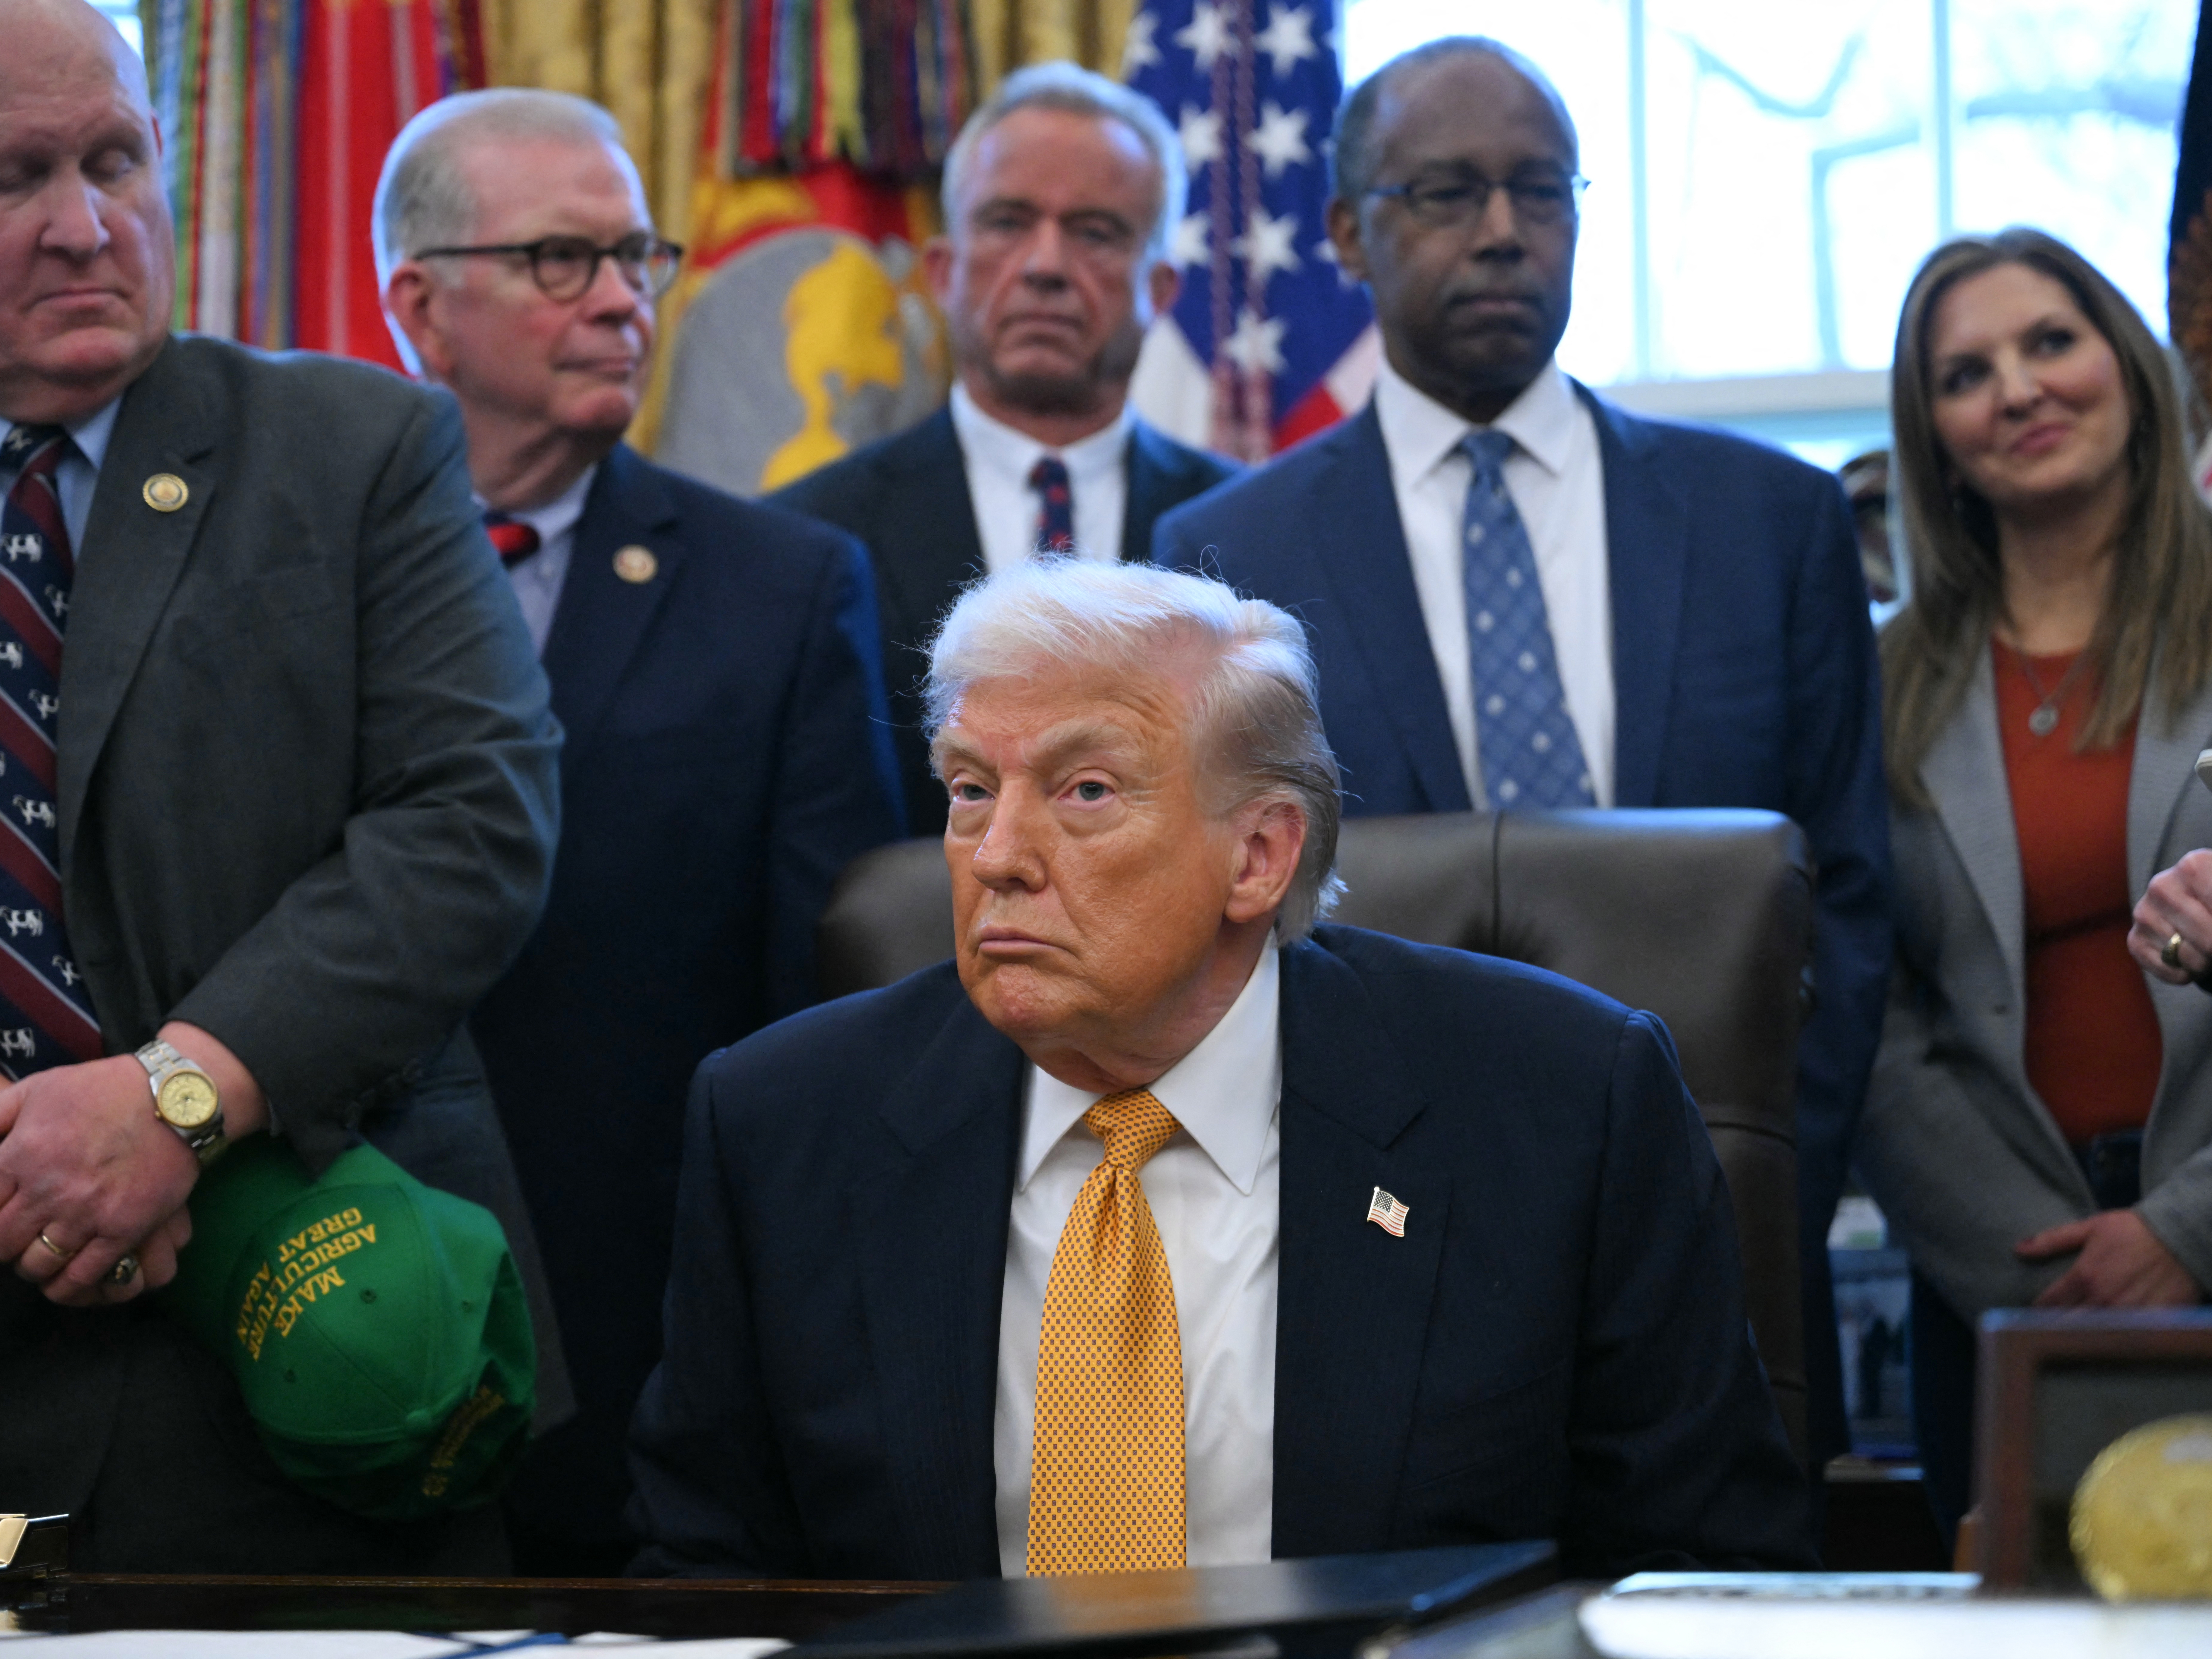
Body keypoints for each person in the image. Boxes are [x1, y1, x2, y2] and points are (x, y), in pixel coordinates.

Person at [628, 558, 1812, 1580]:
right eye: (971, 789)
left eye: (1085, 791)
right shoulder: (785, 1123)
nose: (996, 856)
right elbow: (707, 1581)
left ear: (1257, 855)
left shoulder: (1559, 1104)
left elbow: (1697, 1581)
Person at [1152, 36, 1890, 1471]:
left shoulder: (1767, 523)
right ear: (1348, 232)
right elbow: (1221, 916)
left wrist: (1754, 1165)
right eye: (1447, 192)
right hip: (1362, 1249)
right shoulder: (1227, 554)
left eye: (1540, 191)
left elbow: (1851, 899)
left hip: (1728, 1235)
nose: (1502, 231)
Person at [0, 0, 560, 1571]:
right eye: (16, 177)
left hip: (315, 1377)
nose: (84, 226)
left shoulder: (352, 446)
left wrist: (174, 1098)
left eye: (116, 160)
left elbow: (473, 817)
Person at [376, 90, 904, 1574]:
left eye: (636, 256)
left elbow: (830, 1014)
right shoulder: (287, 573)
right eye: (563, 259)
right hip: (323, 1314)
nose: (623, 300)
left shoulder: (784, 589)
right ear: (421, 307)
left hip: (648, 1350)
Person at [1854, 228, 2212, 1544]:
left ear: (2129, 369)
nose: (2016, 389)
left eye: (2050, 342)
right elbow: (1871, 1007)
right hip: (2004, 1286)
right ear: (1936, 439)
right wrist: (2041, 1262)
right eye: (1966, 373)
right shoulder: (1879, 683)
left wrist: (2186, 1231)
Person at [770, 61, 1236, 835]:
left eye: (1095, 232)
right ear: (942, 272)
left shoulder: (1249, 527)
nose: (1045, 266)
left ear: (1158, 291)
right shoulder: (808, 539)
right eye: (1007, 223)